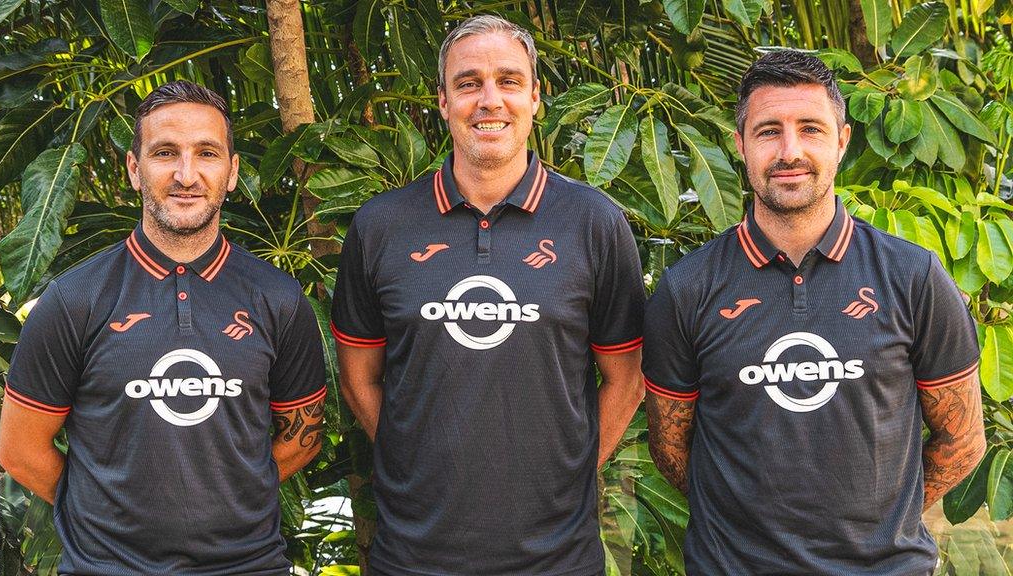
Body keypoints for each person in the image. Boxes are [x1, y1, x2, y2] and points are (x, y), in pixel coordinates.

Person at [643, 49, 987, 575]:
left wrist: (882, 523)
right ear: (740, 145)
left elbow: (962, 439)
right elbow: (671, 449)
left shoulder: (913, 278)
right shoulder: (688, 288)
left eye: (810, 129)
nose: (790, 150)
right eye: (767, 131)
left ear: (842, 142)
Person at [330, 14, 646, 576]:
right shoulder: (382, 226)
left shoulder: (594, 223)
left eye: (509, 81)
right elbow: (358, 376)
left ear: (535, 98)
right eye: (469, 83)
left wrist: (570, 474)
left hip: (556, 557)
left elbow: (627, 378)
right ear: (443, 101)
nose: (489, 100)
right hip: (414, 554)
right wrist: (412, 459)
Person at [0, 80, 327, 575]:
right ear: (135, 169)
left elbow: (303, 437)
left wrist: (231, 493)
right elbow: (19, 451)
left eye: (207, 153)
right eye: (165, 153)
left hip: (248, 565)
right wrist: (106, 514)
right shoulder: (74, 299)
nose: (186, 174)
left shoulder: (277, 298)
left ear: (232, 172)